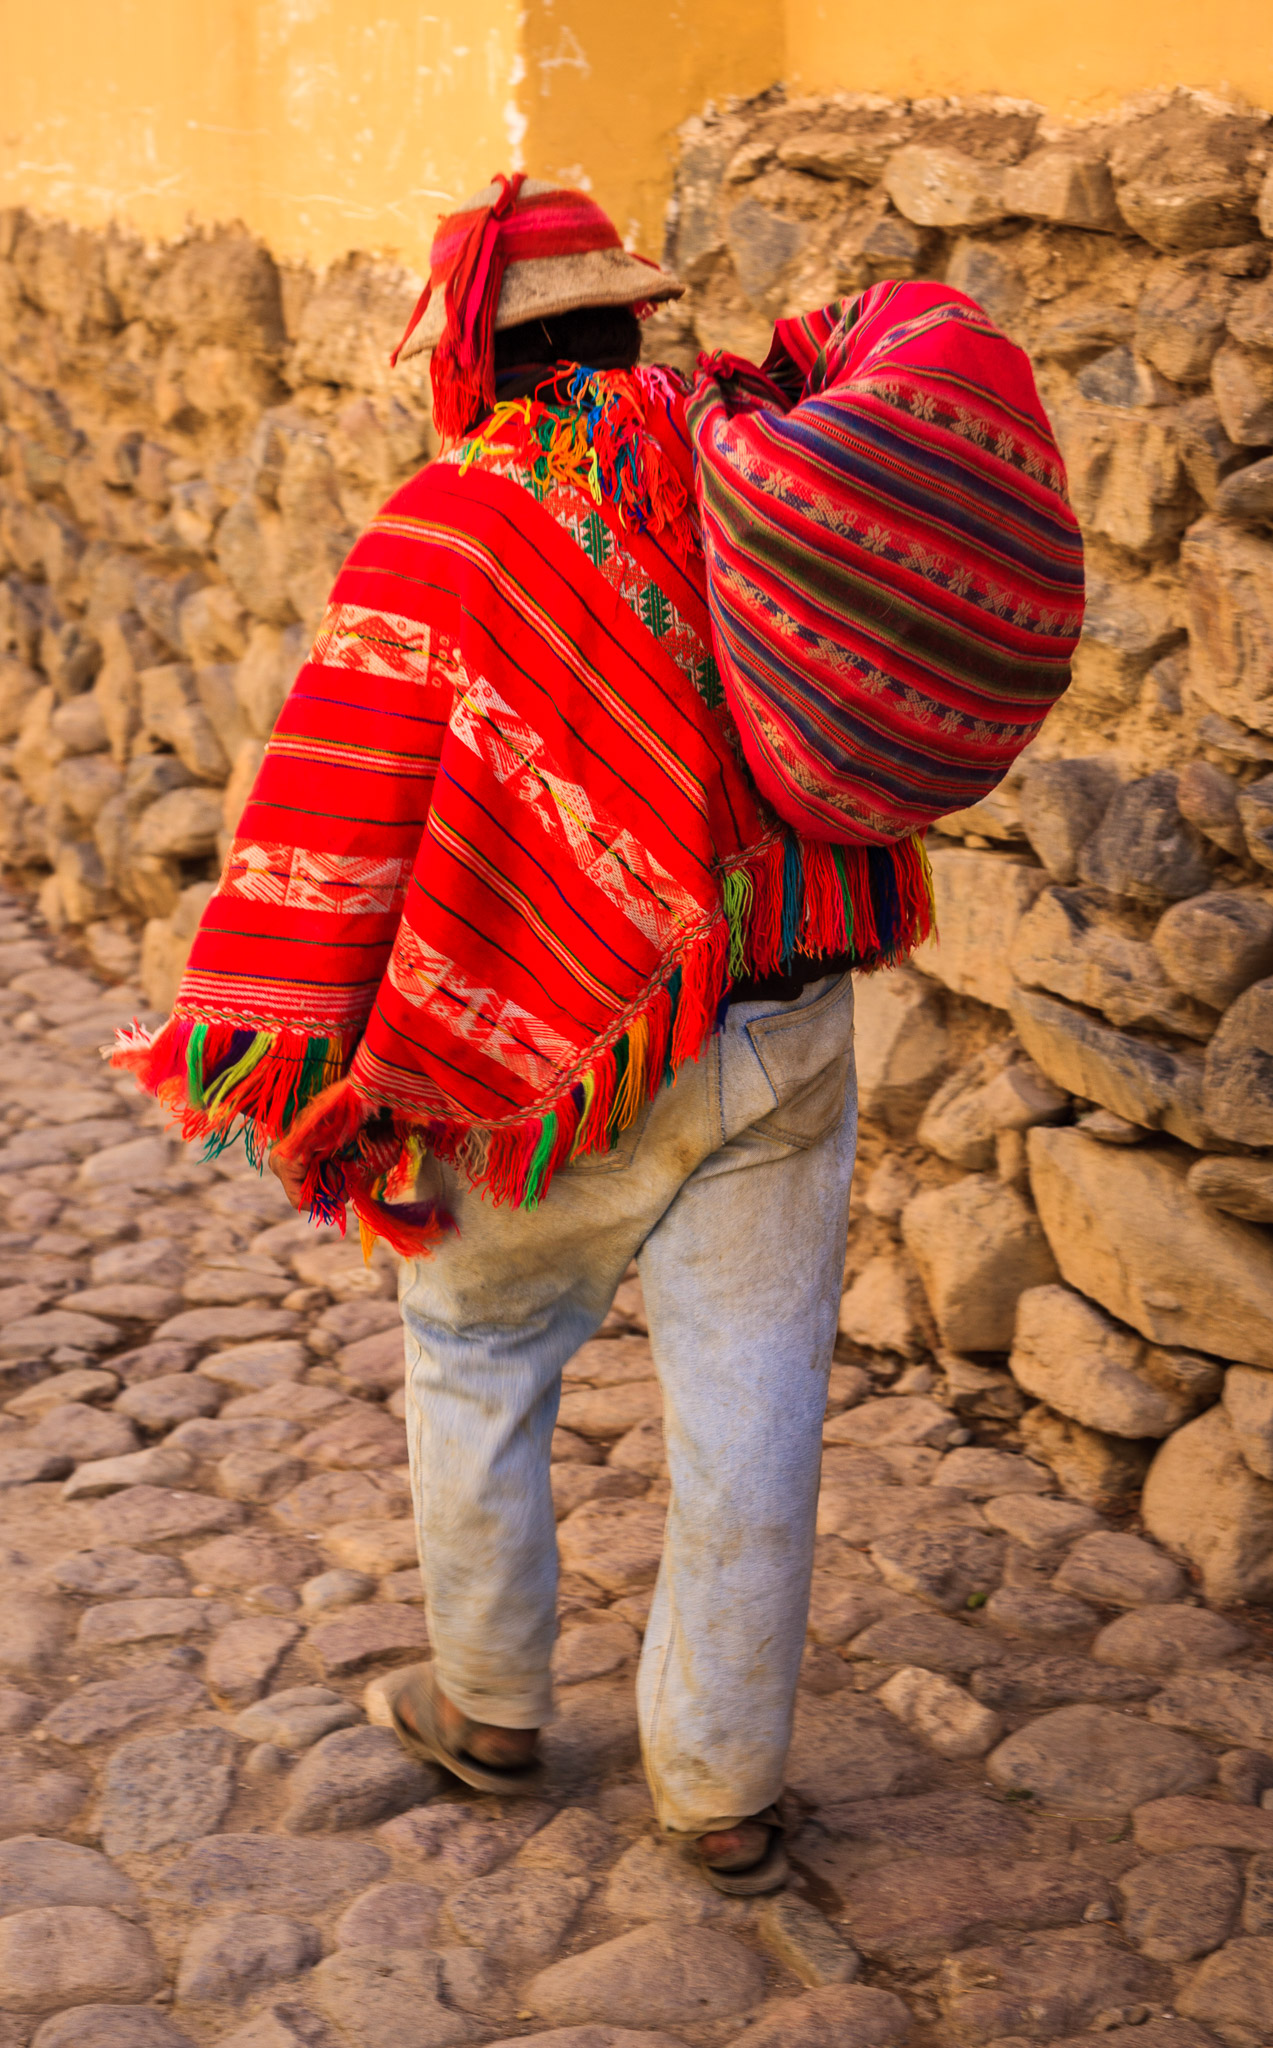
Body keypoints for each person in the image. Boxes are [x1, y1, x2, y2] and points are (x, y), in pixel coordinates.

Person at [116, 172, 1081, 1894]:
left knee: (478, 1357)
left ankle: (488, 1703)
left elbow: (342, 813)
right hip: (781, 1024)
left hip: (538, 1056)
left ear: (478, 350)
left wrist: (312, 1041)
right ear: (634, 319)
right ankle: (720, 1785)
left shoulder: (446, 524)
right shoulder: (762, 464)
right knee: (754, 1407)